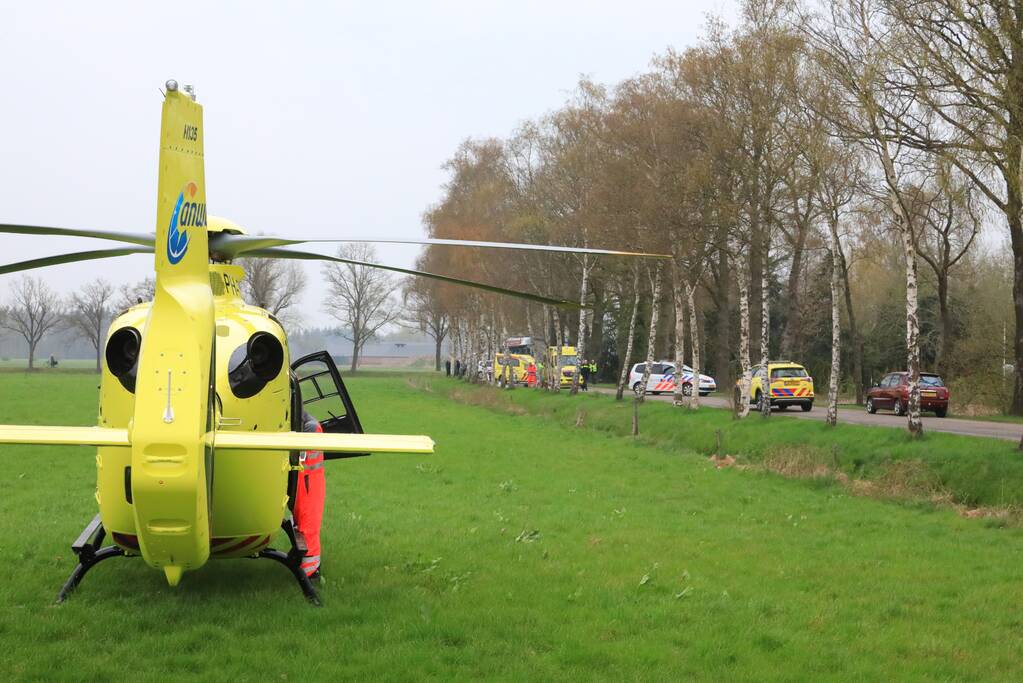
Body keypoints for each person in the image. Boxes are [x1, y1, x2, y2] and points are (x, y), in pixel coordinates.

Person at [294, 411, 325, 581]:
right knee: (305, 516)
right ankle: (309, 567)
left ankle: (311, 571)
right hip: (307, 479)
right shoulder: (309, 424)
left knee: (307, 517)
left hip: (308, 480)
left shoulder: (310, 429)